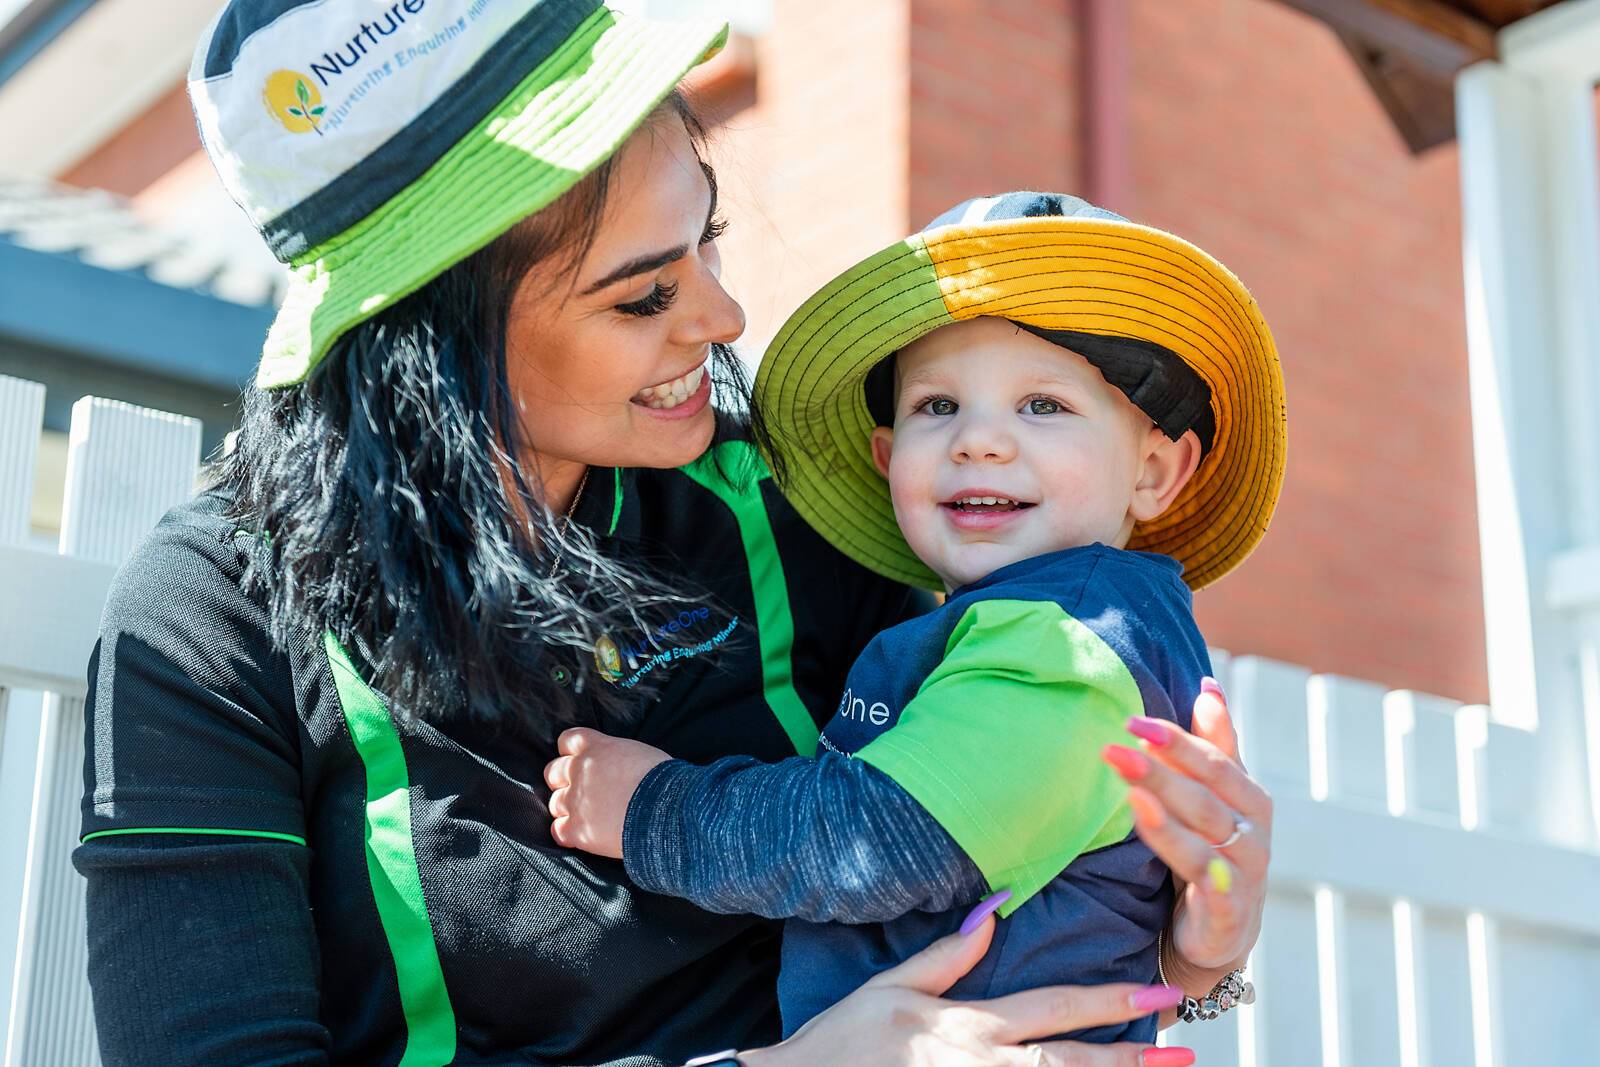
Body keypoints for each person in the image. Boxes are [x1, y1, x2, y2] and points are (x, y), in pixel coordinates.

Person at [73, 2, 1273, 1065]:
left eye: (706, 240)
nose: (724, 314)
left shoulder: (805, 518)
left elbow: (974, 853)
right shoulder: (210, 620)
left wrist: (1192, 950)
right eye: (642, 294)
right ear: (426, 341)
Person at [544, 191, 1285, 1043]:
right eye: (938, 406)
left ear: (1156, 470)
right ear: (890, 462)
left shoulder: (1071, 637)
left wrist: (654, 810)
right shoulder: (1007, 623)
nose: (980, 440)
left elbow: (886, 837)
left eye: (1043, 405)